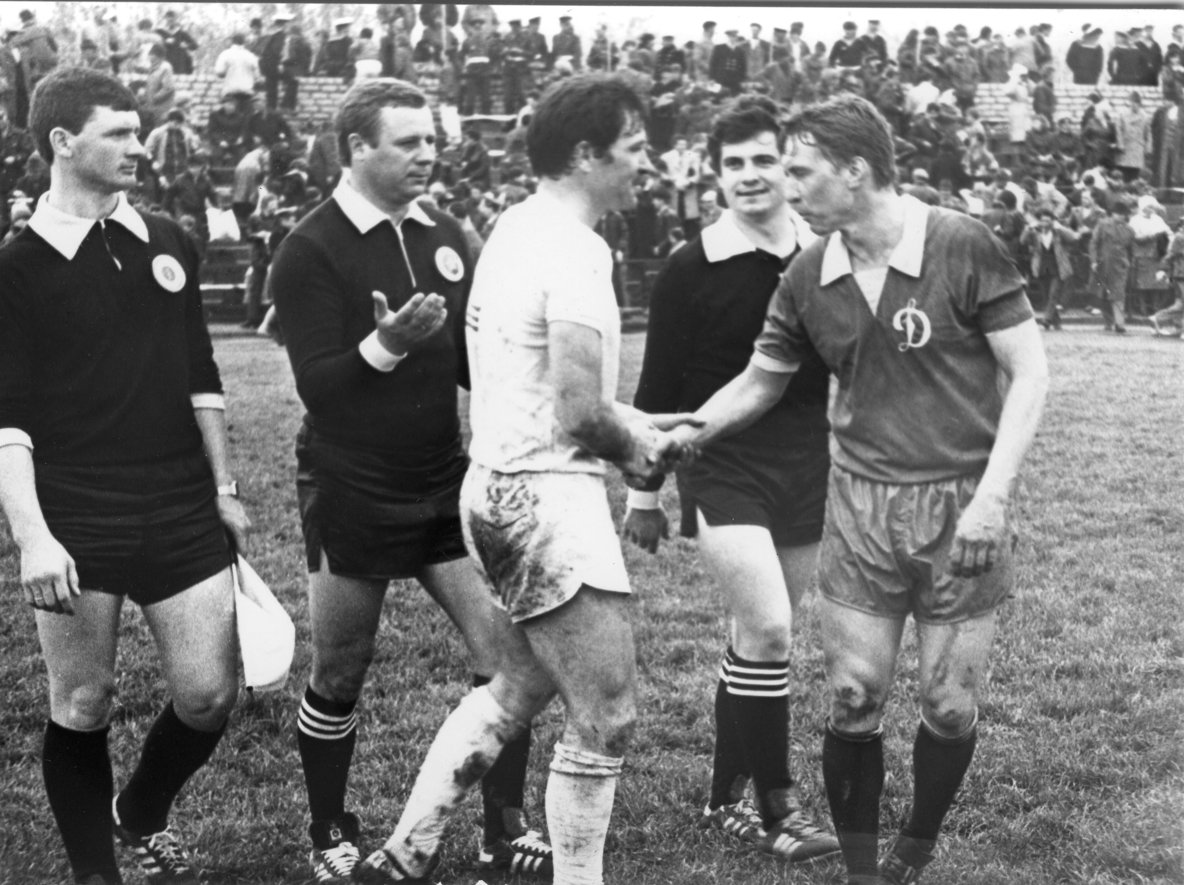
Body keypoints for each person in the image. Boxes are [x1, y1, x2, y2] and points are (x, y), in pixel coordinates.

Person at [662, 95, 1049, 885]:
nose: (788, 186)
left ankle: (917, 842)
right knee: (852, 694)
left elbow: (1030, 371)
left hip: (960, 505)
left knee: (947, 702)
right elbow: (760, 382)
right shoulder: (808, 274)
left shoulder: (960, 243)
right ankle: (867, 873)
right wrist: (685, 434)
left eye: (801, 171)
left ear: (856, 171)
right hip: (862, 506)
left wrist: (993, 497)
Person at [350, 73, 693, 885]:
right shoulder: (576, 248)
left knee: (516, 687)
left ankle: (404, 854)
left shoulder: (514, 224)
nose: (648, 164)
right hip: (546, 499)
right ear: (586, 154)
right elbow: (577, 410)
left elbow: (533, 383)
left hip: (494, 486)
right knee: (607, 715)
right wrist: (640, 447)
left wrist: (634, 424)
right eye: (636, 147)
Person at [266, 78, 553, 884]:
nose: (428, 155)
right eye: (409, 142)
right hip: (350, 483)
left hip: (439, 478)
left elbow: (469, 361)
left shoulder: (446, 232)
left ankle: (502, 829)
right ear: (357, 147)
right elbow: (320, 387)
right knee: (341, 668)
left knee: (507, 655)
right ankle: (330, 831)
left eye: (432, 140)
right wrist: (386, 345)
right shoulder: (310, 247)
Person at [0, 66, 250, 885]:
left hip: (178, 499)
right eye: (119, 132)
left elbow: (201, 374)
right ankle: (98, 873)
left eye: (137, 129)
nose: (140, 146)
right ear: (63, 141)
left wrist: (224, 488)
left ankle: (142, 811)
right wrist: (34, 537)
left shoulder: (166, 239)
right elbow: (3, 420)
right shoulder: (12, 272)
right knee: (83, 700)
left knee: (209, 694)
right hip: (75, 508)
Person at [623, 96, 840, 863]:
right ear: (714, 175)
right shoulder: (692, 265)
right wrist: (643, 495)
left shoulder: (828, 253)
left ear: (790, 165)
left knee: (757, 632)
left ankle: (724, 796)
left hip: (809, 462)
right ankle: (778, 808)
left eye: (763, 159)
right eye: (733, 163)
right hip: (721, 462)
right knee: (771, 627)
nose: (749, 175)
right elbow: (656, 389)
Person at [1021, 209, 1080, 331]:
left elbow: (1073, 238)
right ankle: (1056, 322)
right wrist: (1028, 228)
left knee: (1053, 294)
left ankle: (1046, 319)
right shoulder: (1035, 233)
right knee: (1047, 296)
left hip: (1057, 267)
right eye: (1042, 221)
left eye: (1048, 221)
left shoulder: (1058, 232)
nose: (1045, 223)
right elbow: (1022, 241)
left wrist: (1061, 227)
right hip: (1041, 267)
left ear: (1052, 222)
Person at [1090, 201, 1136, 333]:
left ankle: (1119, 323)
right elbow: (1094, 243)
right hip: (1103, 264)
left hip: (1120, 266)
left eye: (1123, 214)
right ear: (1113, 213)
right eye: (1118, 213)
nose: (1121, 216)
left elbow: (1131, 249)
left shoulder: (1129, 230)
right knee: (1103, 293)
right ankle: (1109, 321)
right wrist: (1093, 260)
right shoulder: (1102, 225)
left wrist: (1129, 263)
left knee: (1119, 294)